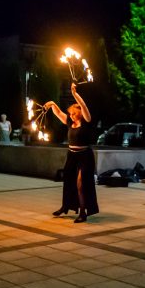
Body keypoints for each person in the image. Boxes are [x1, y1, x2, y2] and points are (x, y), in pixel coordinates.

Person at [46, 83, 99, 223]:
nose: (72, 115)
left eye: (74, 113)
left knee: (81, 183)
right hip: (72, 155)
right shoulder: (70, 122)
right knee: (68, 181)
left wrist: (75, 94)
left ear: (80, 112)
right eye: (71, 114)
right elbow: (57, 113)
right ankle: (65, 207)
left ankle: (83, 212)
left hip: (84, 156)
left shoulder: (87, 121)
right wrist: (52, 103)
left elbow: (84, 106)